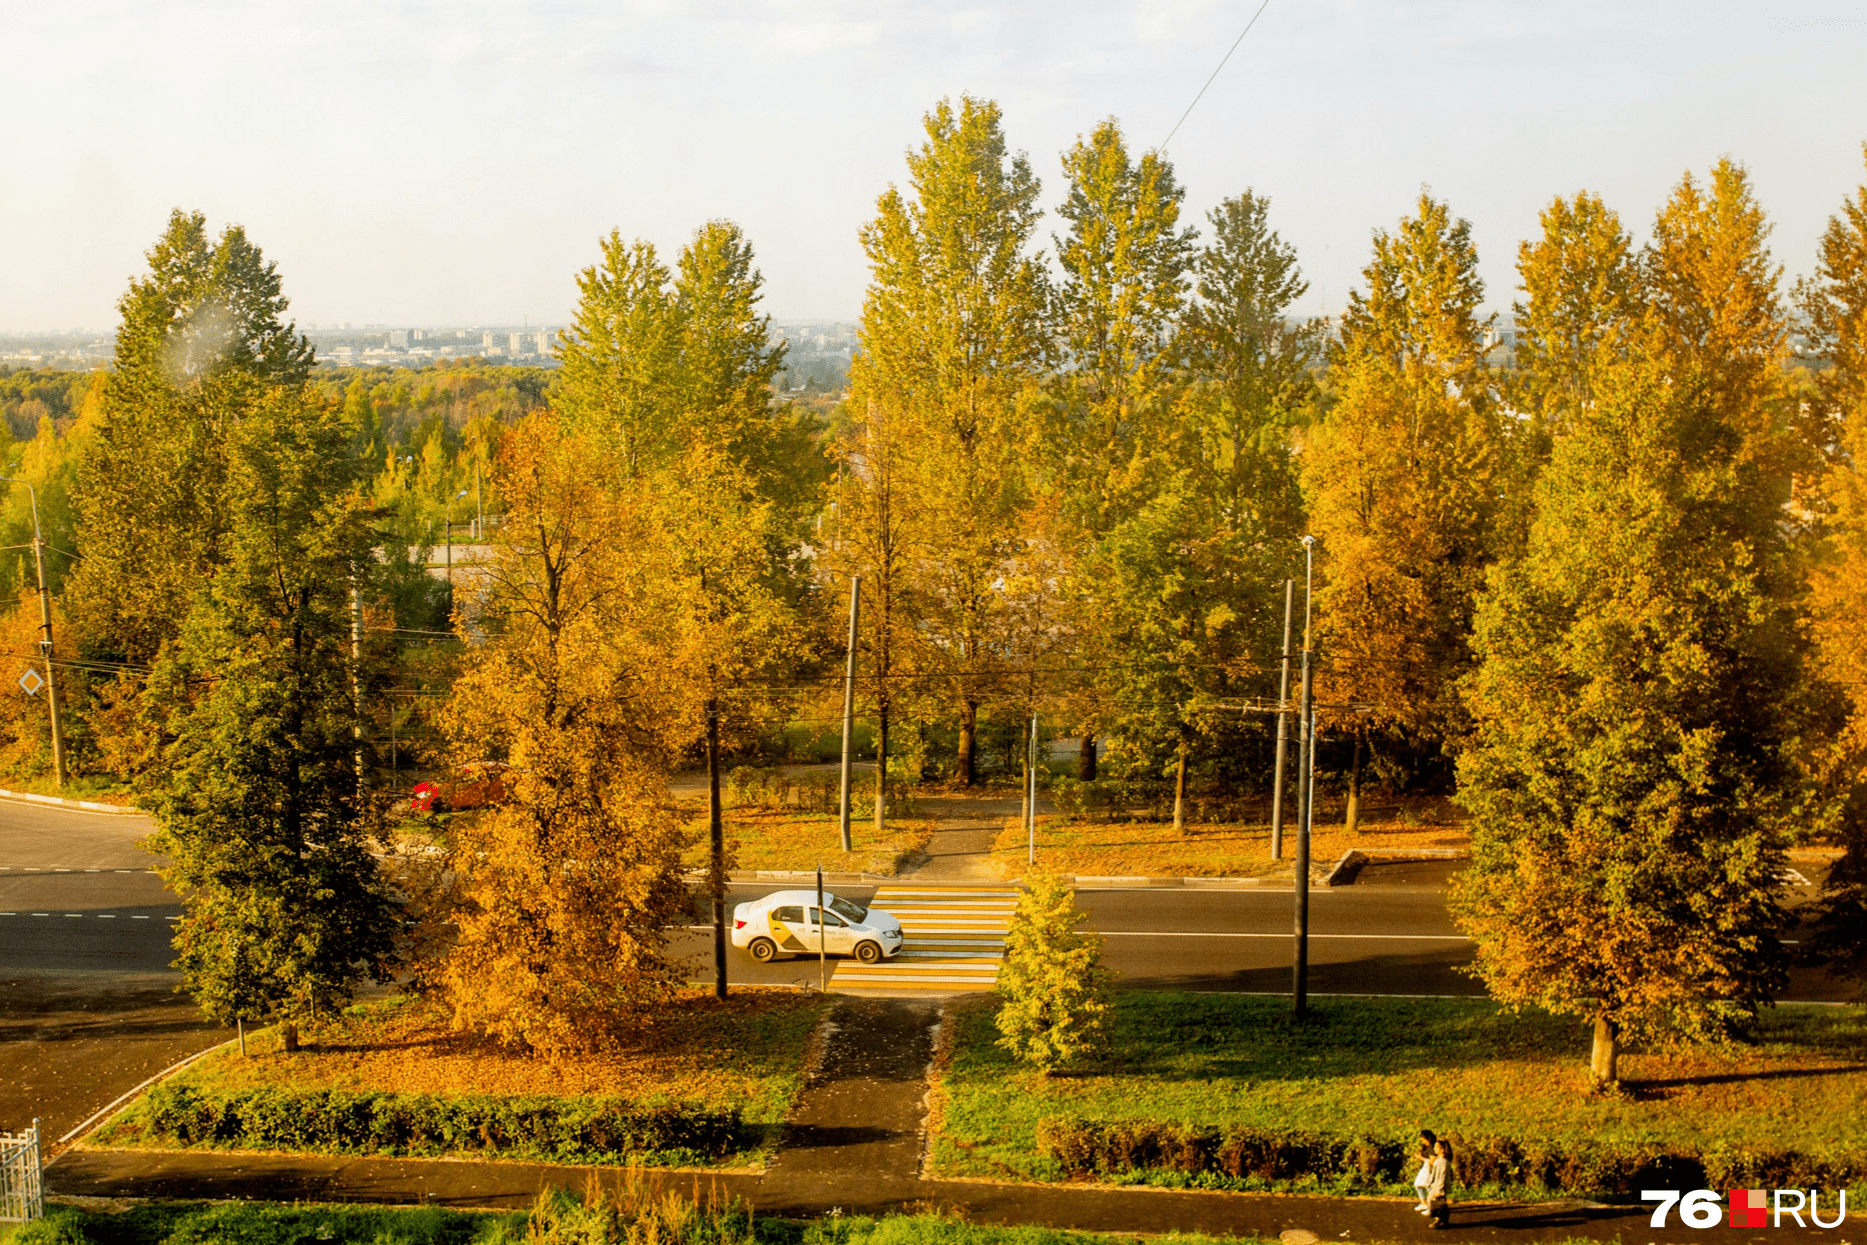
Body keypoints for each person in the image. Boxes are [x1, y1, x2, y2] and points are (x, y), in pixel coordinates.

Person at [1425, 1138, 1455, 1229]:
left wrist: (1440, 1190)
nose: (1434, 1149)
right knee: (1441, 1203)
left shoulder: (1442, 1161)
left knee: (1432, 1201)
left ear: (1442, 1149)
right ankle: (1444, 1220)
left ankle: (1439, 1220)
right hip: (1437, 1185)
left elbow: (1442, 1176)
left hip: (1439, 1186)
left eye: (1436, 1147)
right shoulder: (1440, 1160)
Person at [1411, 1131, 1437, 1213]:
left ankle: (1432, 1206)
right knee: (1418, 1185)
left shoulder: (1433, 1148)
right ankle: (1424, 1203)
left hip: (1430, 1169)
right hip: (1424, 1168)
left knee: (1428, 1187)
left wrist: (1421, 1158)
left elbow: (1432, 1161)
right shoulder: (1426, 1147)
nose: (1422, 1141)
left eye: (1423, 1140)